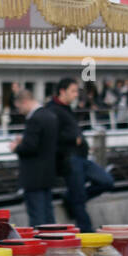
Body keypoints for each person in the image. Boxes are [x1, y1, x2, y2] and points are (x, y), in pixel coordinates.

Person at [45, 77, 89, 230]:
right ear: (62, 91)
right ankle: (87, 232)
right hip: (68, 159)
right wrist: (73, 139)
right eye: (73, 91)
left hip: (79, 157)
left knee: (106, 181)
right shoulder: (52, 110)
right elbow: (52, 135)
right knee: (79, 198)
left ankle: (69, 198)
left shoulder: (67, 108)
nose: (76, 94)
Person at [10, 88, 58, 225]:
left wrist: (16, 147)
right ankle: (51, 243)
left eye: (18, 107)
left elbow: (30, 147)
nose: (19, 111)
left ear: (24, 101)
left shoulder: (34, 119)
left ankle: (41, 244)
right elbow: (43, 143)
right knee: (48, 215)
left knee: (37, 218)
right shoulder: (50, 115)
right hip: (47, 174)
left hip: (33, 176)